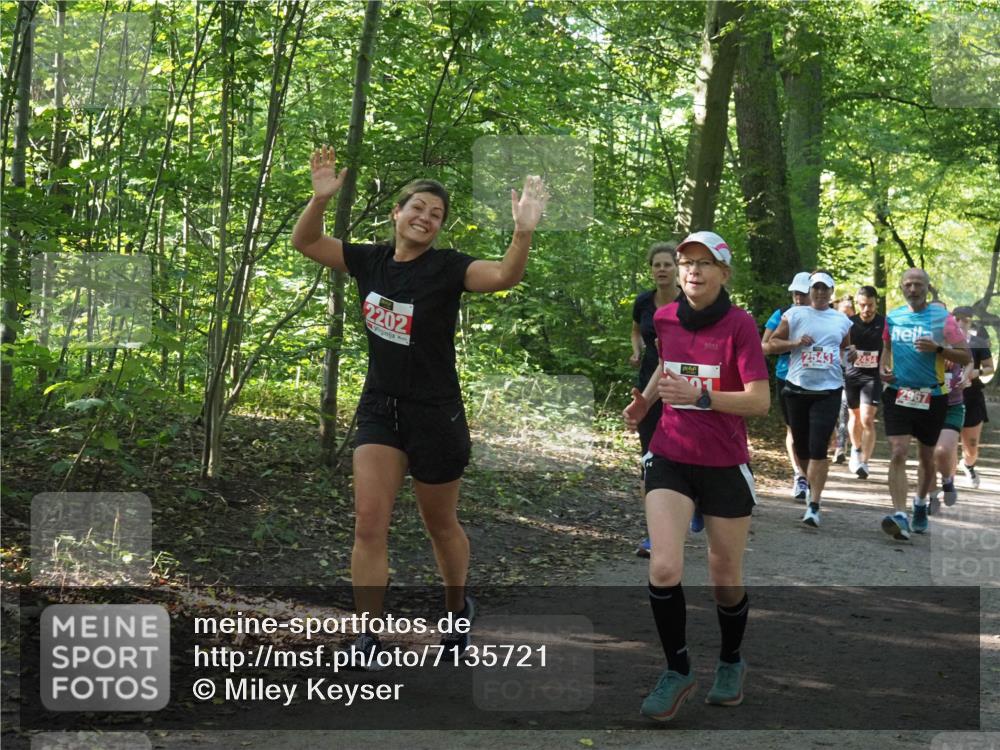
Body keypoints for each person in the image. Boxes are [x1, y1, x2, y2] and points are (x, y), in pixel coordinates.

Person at [291, 145, 548, 663]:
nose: (425, 219)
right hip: (380, 409)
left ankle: (457, 606)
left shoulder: (448, 269)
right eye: (418, 208)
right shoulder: (369, 259)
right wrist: (319, 199)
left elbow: (503, 276)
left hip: (436, 413)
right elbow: (307, 241)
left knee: (439, 524)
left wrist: (522, 232)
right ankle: (367, 633)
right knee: (369, 523)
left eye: (436, 215)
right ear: (397, 212)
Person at [623, 230, 770, 721]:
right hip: (671, 455)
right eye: (687, 262)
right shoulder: (664, 317)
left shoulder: (740, 325)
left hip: (725, 463)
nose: (693, 271)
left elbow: (759, 401)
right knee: (664, 567)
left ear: (723, 273)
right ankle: (678, 669)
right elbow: (667, 362)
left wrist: (703, 397)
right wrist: (647, 399)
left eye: (705, 263)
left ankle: (731, 660)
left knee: (724, 577)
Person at [879, 269, 970, 540]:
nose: (913, 289)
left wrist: (939, 349)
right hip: (898, 393)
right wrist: (883, 367)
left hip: (933, 395)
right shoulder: (893, 317)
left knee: (926, 457)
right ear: (901, 288)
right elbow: (887, 348)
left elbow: (965, 356)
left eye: (918, 284)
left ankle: (919, 503)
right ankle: (899, 514)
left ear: (927, 289)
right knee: (898, 451)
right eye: (908, 284)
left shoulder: (943, 319)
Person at [767, 272, 853, 528]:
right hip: (797, 388)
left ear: (831, 292)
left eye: (824, 289)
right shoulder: (794, 315)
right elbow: (771, 344)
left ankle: (814, 504)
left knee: (818, 447)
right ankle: (805, 480)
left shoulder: (841, 320)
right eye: (815, 288)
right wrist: (795, 342)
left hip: (828, 389)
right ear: (809, 290)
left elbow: (846, 349)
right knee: (802, 446)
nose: (819, 293)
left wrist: (851, 354)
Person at [630, 242, 692, 559]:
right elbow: (636, 330)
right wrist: (637, 350)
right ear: (651, 269)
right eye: (658, 264)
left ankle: (692, 501)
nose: (662, 269)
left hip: (685, 390)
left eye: (668, 264)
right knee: (649, 459)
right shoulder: (643, 301)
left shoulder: (690, 302)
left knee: (685, 457)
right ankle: (655, 534)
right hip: (649, 389)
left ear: (676, 269)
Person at [761, 272, 811, 502]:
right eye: (795, 293)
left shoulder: (826, 314)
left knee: (813, 430)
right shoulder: (782, 314)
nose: (799, 298)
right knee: (793, 428)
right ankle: (800, 475)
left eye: (803, 293)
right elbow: (765, 346)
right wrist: (793, 344)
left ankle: (811, 472)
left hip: (816, 378)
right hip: (787, 376)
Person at [845, 286, 885, 479]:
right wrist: (847, 353)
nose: (866, 309)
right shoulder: (849, 324)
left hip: (873, 376)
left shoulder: (884, 323)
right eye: (862, 305)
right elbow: (840, 349)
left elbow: (891, 348)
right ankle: (856, 449)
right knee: (855, 416)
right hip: (853, 375)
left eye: (870, 305)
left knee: (868, 418)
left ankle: (865, 463)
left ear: (876, 303)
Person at [954, 306, 994, 489]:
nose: (961, 323)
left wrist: (975, 372)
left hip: (972, 397)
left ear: (971, 321)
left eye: (966, 319)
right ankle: (947, 478)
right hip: (948, 397)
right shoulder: (943, 342)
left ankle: (968, 465)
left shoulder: (978, 342)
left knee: (971, 445)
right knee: (947, 440)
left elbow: (989, 368)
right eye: (958, 319)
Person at [927, 344, 967, 513]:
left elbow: (970, 361)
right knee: (927, 455)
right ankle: (931, 497)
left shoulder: (959, 340)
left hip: (952, 406)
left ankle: (947, 481)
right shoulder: (919, 336)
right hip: (925, 404)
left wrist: (950, 353)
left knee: (942, 451)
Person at [831, 297, 856, 464]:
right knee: (832, 412)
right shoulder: (831, 326)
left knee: (843, 409)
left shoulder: (857, 328)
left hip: (851, 376)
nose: (846, 318)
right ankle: (833, 440)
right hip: (830, 375)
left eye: (849, 314)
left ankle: (841, 446)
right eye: (843, 314)